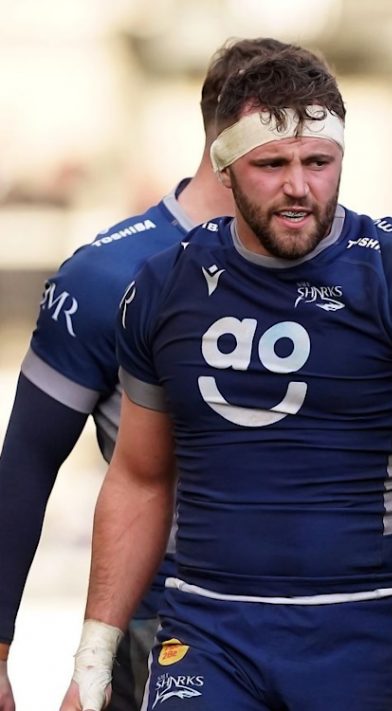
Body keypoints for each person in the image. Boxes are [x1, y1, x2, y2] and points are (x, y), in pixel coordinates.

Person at [59, 47, 392, 710]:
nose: (299, 186)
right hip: (207, 630)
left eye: (319, 162)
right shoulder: (161, 285)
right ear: (224, 166)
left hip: (366, 628)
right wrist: (92, 660)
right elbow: (139, 477)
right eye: (273, 164)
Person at [0, 37, 296, 711]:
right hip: (164, 629)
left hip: (336, 625)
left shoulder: (352, 265)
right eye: (281, 150)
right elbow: (25, 463)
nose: (302, 180)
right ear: (228, 137)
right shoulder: (107, 275)